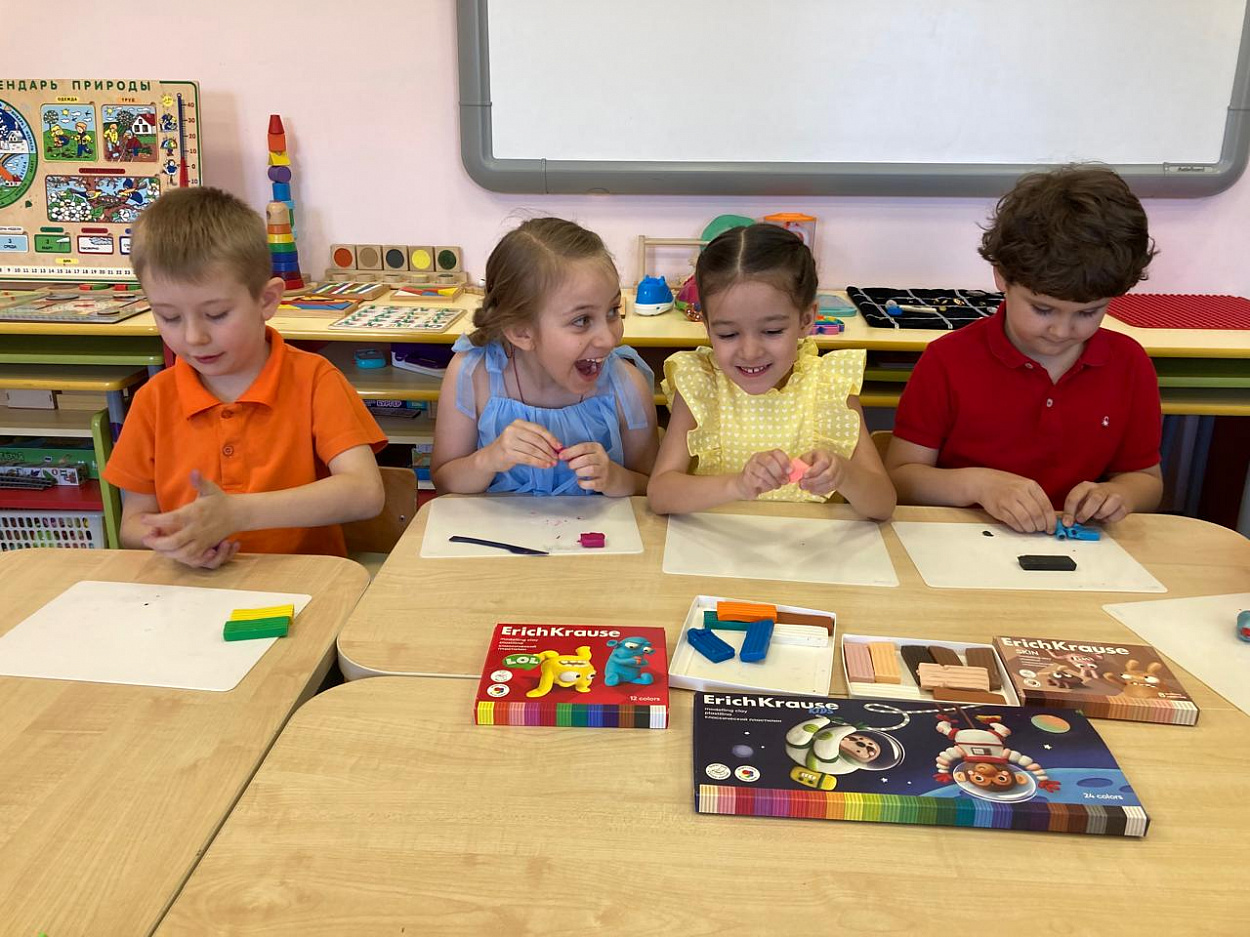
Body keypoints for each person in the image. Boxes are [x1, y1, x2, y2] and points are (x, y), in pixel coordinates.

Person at [103, 186, 386, 568]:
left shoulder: (314, 380)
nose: (194, 337)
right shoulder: (154, 400)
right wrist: (175, 540)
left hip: (304, 585)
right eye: (169, 317)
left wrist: (238, 513)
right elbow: (133, 525)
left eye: (216, 314)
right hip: (195, 588)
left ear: (266, 301)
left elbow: (365, 493)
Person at [886, 165, 1163, 533]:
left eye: (1088, 312)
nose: (1062, 331)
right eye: (1043, 309)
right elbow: (902, 479)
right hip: (965, 541)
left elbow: (1146, 480)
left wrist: (1119, 495)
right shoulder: (948, 360)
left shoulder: (1129, 364)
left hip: (1081, 548)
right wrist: (978, 485)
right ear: (1002, 276)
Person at [647, 223, 895, 519]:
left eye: (772, 331)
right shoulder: (702, 384)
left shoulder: (829, 385)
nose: (750, 352)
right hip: (715, 543)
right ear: (707, 326)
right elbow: (660, 494)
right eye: (728, 334)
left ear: (806, 320)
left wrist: (844, 475)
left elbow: (883, 504)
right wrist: (737, 485)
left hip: (811, 545)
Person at [432, 217, 658, 496]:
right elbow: (444, 482)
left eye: (612, 311)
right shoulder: (472, 375)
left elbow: (652, 488)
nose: (610, 339)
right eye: (582, 320)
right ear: (521, 331)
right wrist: (488, 460)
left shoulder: (627, 386)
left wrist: (618, 479)